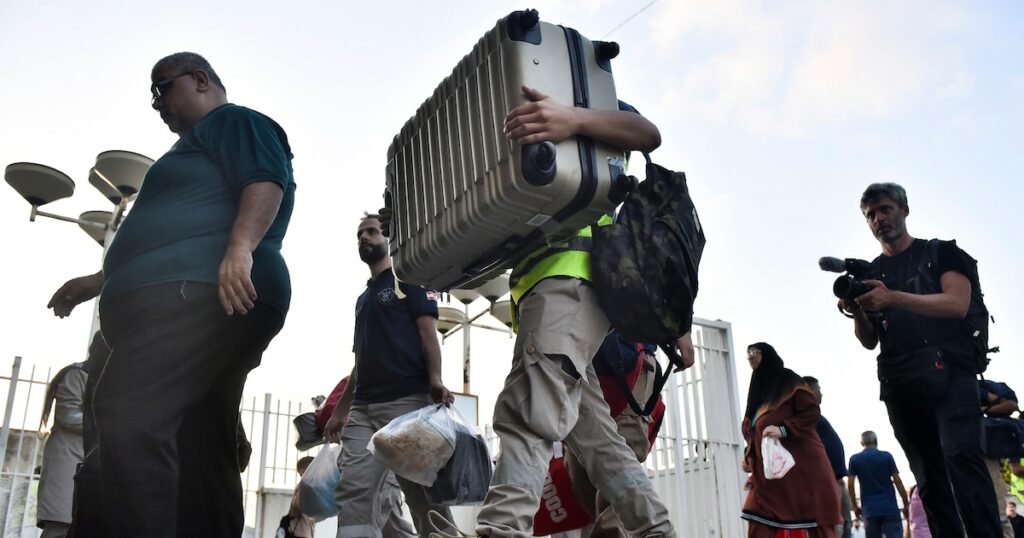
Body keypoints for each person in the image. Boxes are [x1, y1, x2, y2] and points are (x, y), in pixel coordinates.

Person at [381, 86, 691, 538]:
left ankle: (502, 529)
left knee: (528, 409)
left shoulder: (581, 103)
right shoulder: (513, 134)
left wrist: (574, 119)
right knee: (597, 441)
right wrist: (414, 226)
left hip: (573, 277)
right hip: (542, 290)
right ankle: (654, 529)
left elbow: (647, 134)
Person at [47, 52, 296, 538]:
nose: (157, 104)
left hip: (201, 292)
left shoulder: (233, 121)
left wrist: (240, 249)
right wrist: (97, 283)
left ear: (200, 79)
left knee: (129, 412)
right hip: (203, 290)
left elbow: (266, 179)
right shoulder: (201, 146)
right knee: (198, 433)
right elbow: (166, 233)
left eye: (162, 89)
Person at [841, 182, 1001, 537]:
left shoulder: (942, 252)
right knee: (928, 478)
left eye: (885, 209)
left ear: (904, 210)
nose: (878, 219)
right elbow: (868, 341)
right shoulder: (871, 274)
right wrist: (858, 309)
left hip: (951, 375)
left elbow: (956, 304)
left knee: (962, 458)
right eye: (870, 215)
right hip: (901, 383)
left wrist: (892, 297)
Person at [322, 213, 455, 537]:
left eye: (371, 231)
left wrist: (435, 379)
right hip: (363, 411)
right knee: (353, 490)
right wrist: (340, 412)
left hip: (406, 406)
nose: (364, 238)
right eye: (360, 234)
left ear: (389, 239)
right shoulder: (363, 300)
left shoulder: (409, 278)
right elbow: (360, 361)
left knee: (421, 495)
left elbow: (428, 334)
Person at [741, 343, 841, 537]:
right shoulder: (757, 392)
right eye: (748, 353)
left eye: (755, 352)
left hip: (803, 468)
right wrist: (749, 457)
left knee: (818, 520)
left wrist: (784, 429)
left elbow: (811, 412)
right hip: (770, 475)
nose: (750, 357)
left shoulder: (789, 381)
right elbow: (754, 431)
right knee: (758, 517)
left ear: (767, 355)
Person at [35, 361, 87, 538]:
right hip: (65, 460)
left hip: (85, 462)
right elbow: (68, 415)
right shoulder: (76, 374)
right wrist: (106, 418)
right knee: (60, 528)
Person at [804, 376, 853, 538]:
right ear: (809, 390)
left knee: (844, 524)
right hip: (826, 482)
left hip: (836, 480)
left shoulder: (814, 415)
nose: (821, 393)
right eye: (818, 388)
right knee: (834, 526)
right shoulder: (804, 415)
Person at [979, 379, 1020, 538]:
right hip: (966, 454)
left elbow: (1011, 405)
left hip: (985, 455)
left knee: (999, 515)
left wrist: (984, 405)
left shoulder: (983, 388)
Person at [847, 431, 908, 538]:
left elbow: (850, 484)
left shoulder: (855, 459)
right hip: (890, 507)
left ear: (861, 443)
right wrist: (905, 503)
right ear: (876, 441)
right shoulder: (887, 456)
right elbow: (897, 481)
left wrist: (855, 507)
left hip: (869, 510)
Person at [282, 456, 317, 538]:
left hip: (303, 531)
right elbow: (298, 505)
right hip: (301, 532)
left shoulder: (308, 485)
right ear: (303, 471)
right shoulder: (306, 485)